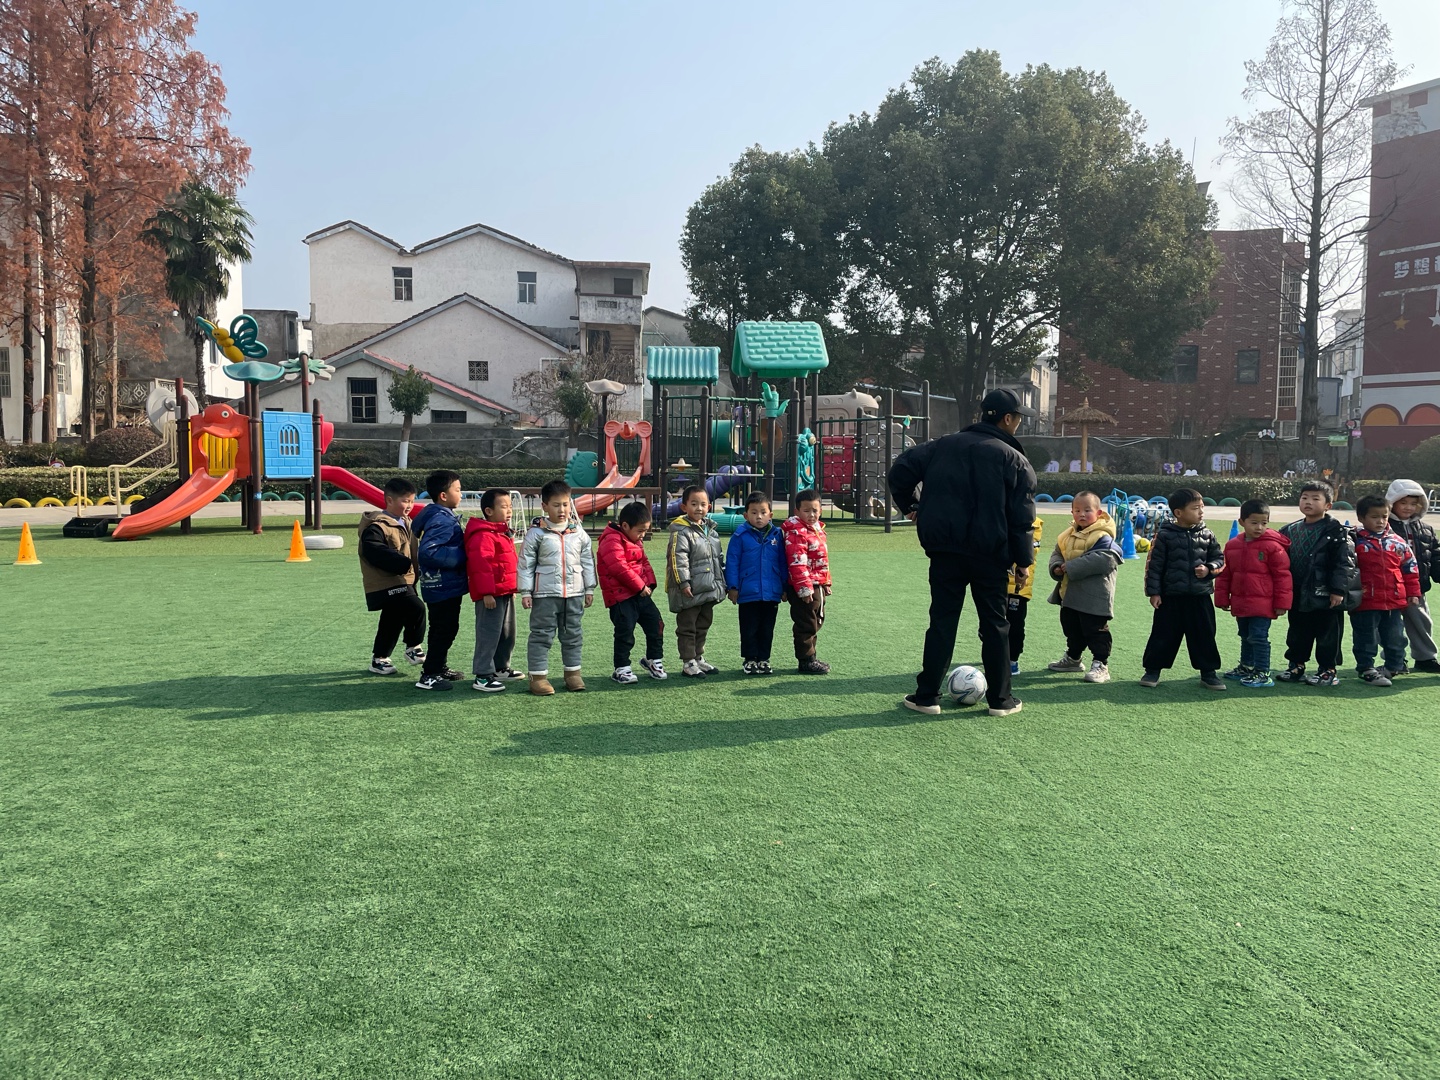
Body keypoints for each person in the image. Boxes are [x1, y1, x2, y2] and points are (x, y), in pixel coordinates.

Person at [887, 387, 1037, 717]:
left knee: (942, 620)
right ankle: (1001, 700)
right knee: (995, 624)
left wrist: (911, 506)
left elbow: (899, 472)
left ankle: (927, 696)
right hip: (991, 554)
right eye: (1018, 418)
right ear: (1007, 419)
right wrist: (1023, 561)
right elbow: (1022, 518)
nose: (1019, 424)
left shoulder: (941, 445)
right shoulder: (1016, 460)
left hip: (945, 550)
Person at [1140, 488, 1225, 690]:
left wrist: (1209, 569)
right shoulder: (1164, 536)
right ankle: (1152, 670)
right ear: (1178, 513)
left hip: (1200, 597)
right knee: (1163, 635)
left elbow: (1220, 560)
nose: (1201, 512)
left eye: (1202, 507)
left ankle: (1208, 673)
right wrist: (1154, 592)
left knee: (1204, 635)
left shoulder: (1207, 535)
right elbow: (1154, 566)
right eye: (1195, 508)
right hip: (1170, 597)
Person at [1277, 481, 1359, 686]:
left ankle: (1327, 670)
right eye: (1304, 497)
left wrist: (1338, 590)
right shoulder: (1289, 530)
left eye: (1315, 498)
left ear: (1328, 505)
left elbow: (1344, 563)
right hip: (1298, 592)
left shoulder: (1337, 532)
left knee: (1327, 634)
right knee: (1297, 631)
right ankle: (1296, 666)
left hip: (1325, 592)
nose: (1308, 502)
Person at [519, 479, 596, 695]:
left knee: (573, 634)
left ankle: (573, 674)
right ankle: (538, 677)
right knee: (541, 635)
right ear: (544, 506)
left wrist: (589, 588)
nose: (562, 510)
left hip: (574, 593)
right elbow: (525, 564)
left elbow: (588, 561)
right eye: (556, 505)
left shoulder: (579, 532)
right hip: (544, 594)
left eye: (565, 504)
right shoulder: (536, 534)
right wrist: (525, 591)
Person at [1045, 491, 1122, 684]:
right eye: (1077, 510)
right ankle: (1073, 658)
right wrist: (1056, 566)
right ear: (1072, 512)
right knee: (1071, 627)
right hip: (1070, 593)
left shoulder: (1102, 535)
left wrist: (1071, 567)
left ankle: (1101, 664)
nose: (1082, 514)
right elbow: (1057, 552)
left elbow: (1107, 559)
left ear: (1098, 513)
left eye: (1087, 510)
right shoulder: (1067, 535)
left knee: (1095, 630)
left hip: (1095, 596)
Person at [1214, 499, 1292, 689]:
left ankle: (1262, 672)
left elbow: (1283, 576)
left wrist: (1282, 603)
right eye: (1254, 522)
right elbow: (1225, 574)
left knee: (1258, 637)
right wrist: (1222, 598)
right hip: (1241, 602)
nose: (1259, 527)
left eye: (1264, 523)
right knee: (1245, 635)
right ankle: (1247, 666)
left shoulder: (1273, 547)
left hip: (1263, 604)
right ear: (1242, 522)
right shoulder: (1232, 545)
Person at [1350, 494, 1421, 686]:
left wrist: (1413, 592)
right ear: (1361, 518)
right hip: (1365, 600)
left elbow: (1410, 567)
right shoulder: (1354, 541)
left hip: (1394, 600)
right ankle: (1366, 668)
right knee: (1366, 637)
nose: (1380, 521)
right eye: (1374, 517)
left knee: (1395, 636)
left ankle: (1394, 666)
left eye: (1384, 516)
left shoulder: (1397, 541)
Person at [358, 477, 425, 676]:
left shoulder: (407, 522)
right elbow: (373, 550)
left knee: (392, 618)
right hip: (386, 582)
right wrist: (401, 563)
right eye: (405, 501)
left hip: (405, 580)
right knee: (416, 607)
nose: (409, 505)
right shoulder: (377, 526)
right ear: (389, 500)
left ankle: (379, 659)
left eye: (412, 501)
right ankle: (413, 646)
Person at [597, 500, 668, 685]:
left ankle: (653, 659)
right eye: (640, 531)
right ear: (625, 526)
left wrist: (650, 583)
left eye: (645, 530)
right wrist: (640, 586)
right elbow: (618, 567)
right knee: (625, 632)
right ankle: (621, 668)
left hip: (640, 593)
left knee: (656, 625)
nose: (643, 535)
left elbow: (644, 562)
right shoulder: (611, 539)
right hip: (620, 597)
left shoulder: (636, 540)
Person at [463, 489, 525, 693]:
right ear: (489, 511)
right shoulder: (483, 535)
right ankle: (482, 674)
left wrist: (512, 587)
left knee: (507, 632)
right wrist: (486, 593)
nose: (509, 511)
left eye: (510, 506)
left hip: (505, 591)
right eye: (504, 507)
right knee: (488, 633)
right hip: (490, 595)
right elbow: (481, 566)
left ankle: (500, 667)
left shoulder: (501, 532)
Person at [414, 470, 467, 691]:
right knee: (444, 629)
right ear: (443, 495)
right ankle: (430, 674)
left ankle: (438, 667)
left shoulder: (439, 515)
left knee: (442, 628)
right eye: (458, 490)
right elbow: (429, 552)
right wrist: (464, 555)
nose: (461, 494)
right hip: (442, 585)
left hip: (442, 585)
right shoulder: (442, 519)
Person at [665, 485, 726, 677]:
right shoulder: (681, 531)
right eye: (694, 504)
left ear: (709, 506)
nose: (699, 508)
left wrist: (721, 582)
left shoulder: (711, 530)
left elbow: (717, 558)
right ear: (684, 507)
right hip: (690, 589)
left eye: (703, 504)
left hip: (708, 587)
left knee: (703, 624)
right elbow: (678, 558)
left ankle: (698, 657)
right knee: (687, 626)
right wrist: (684, 583)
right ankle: (688, 661)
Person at [725, 492, 789, 675]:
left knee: (767, 628)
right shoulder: (740, 536)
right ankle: (750, 659)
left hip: (771, 592)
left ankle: (764, 659)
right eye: (754, 513)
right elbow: (732, 562)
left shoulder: (777, 535)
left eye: (763, 512)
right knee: (749, 628)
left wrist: (785, 586)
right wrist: (733, 587)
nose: (759, 517)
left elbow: (783, 562)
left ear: (771, 515)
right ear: (746, 515)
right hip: (748, 592)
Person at [1386, 479, 1440, 673]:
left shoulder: (1426, 529)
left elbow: (1435, 554)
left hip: (1417, 587)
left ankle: (1425, 657)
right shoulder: (1383, 526)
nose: (1408, 507)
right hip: (1390, 587)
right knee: (1391, 626)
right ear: (1392, 502)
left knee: (1422, 623)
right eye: (1403, 502)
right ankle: (1395, 660)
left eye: (1413, 503)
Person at [781, 489, 832, 675]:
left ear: (820, 510)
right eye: (806, 511)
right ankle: (806, 660)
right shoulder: (797, 532)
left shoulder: (817, 529)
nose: (811, 515)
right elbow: (797, 563)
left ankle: (811, 656)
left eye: (815, 510)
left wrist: (826, 582)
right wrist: (804, 588)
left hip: (816, 583)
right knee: (806, 622)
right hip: (804, 586)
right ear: (797, 511)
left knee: (816, 619)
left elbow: (821, 559)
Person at [1001, 516, 1043, 674]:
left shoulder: (1032, 524)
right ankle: (995, 654)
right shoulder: (996, 515)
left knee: (1015, 625)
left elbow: (1028, 552)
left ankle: (1012, 660)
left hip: (1018, 588)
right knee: (989, 624)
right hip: (993, 584)